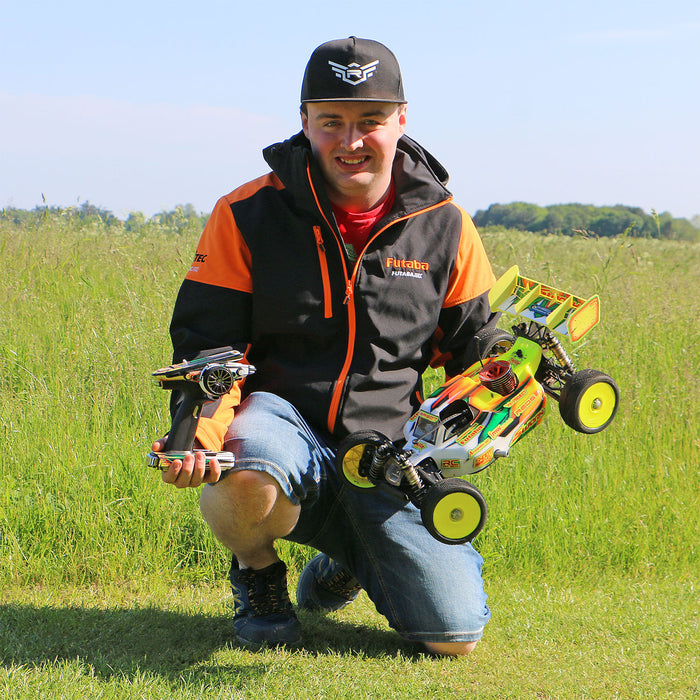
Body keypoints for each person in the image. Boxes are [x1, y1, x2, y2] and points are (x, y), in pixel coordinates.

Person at [153, 36, 498, 656]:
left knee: (453, 635)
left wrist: (507, 388)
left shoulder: (447, 224)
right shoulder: (245, 213)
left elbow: (474, 346)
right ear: (304, 119)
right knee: (246, 473)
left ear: (401, 119)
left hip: (390, 451)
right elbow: (209, 345)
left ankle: (349, 559)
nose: (351, 141)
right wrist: (197, 437)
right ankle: (259, 575)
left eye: (370, 121)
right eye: (331, 121)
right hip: (280, 424)